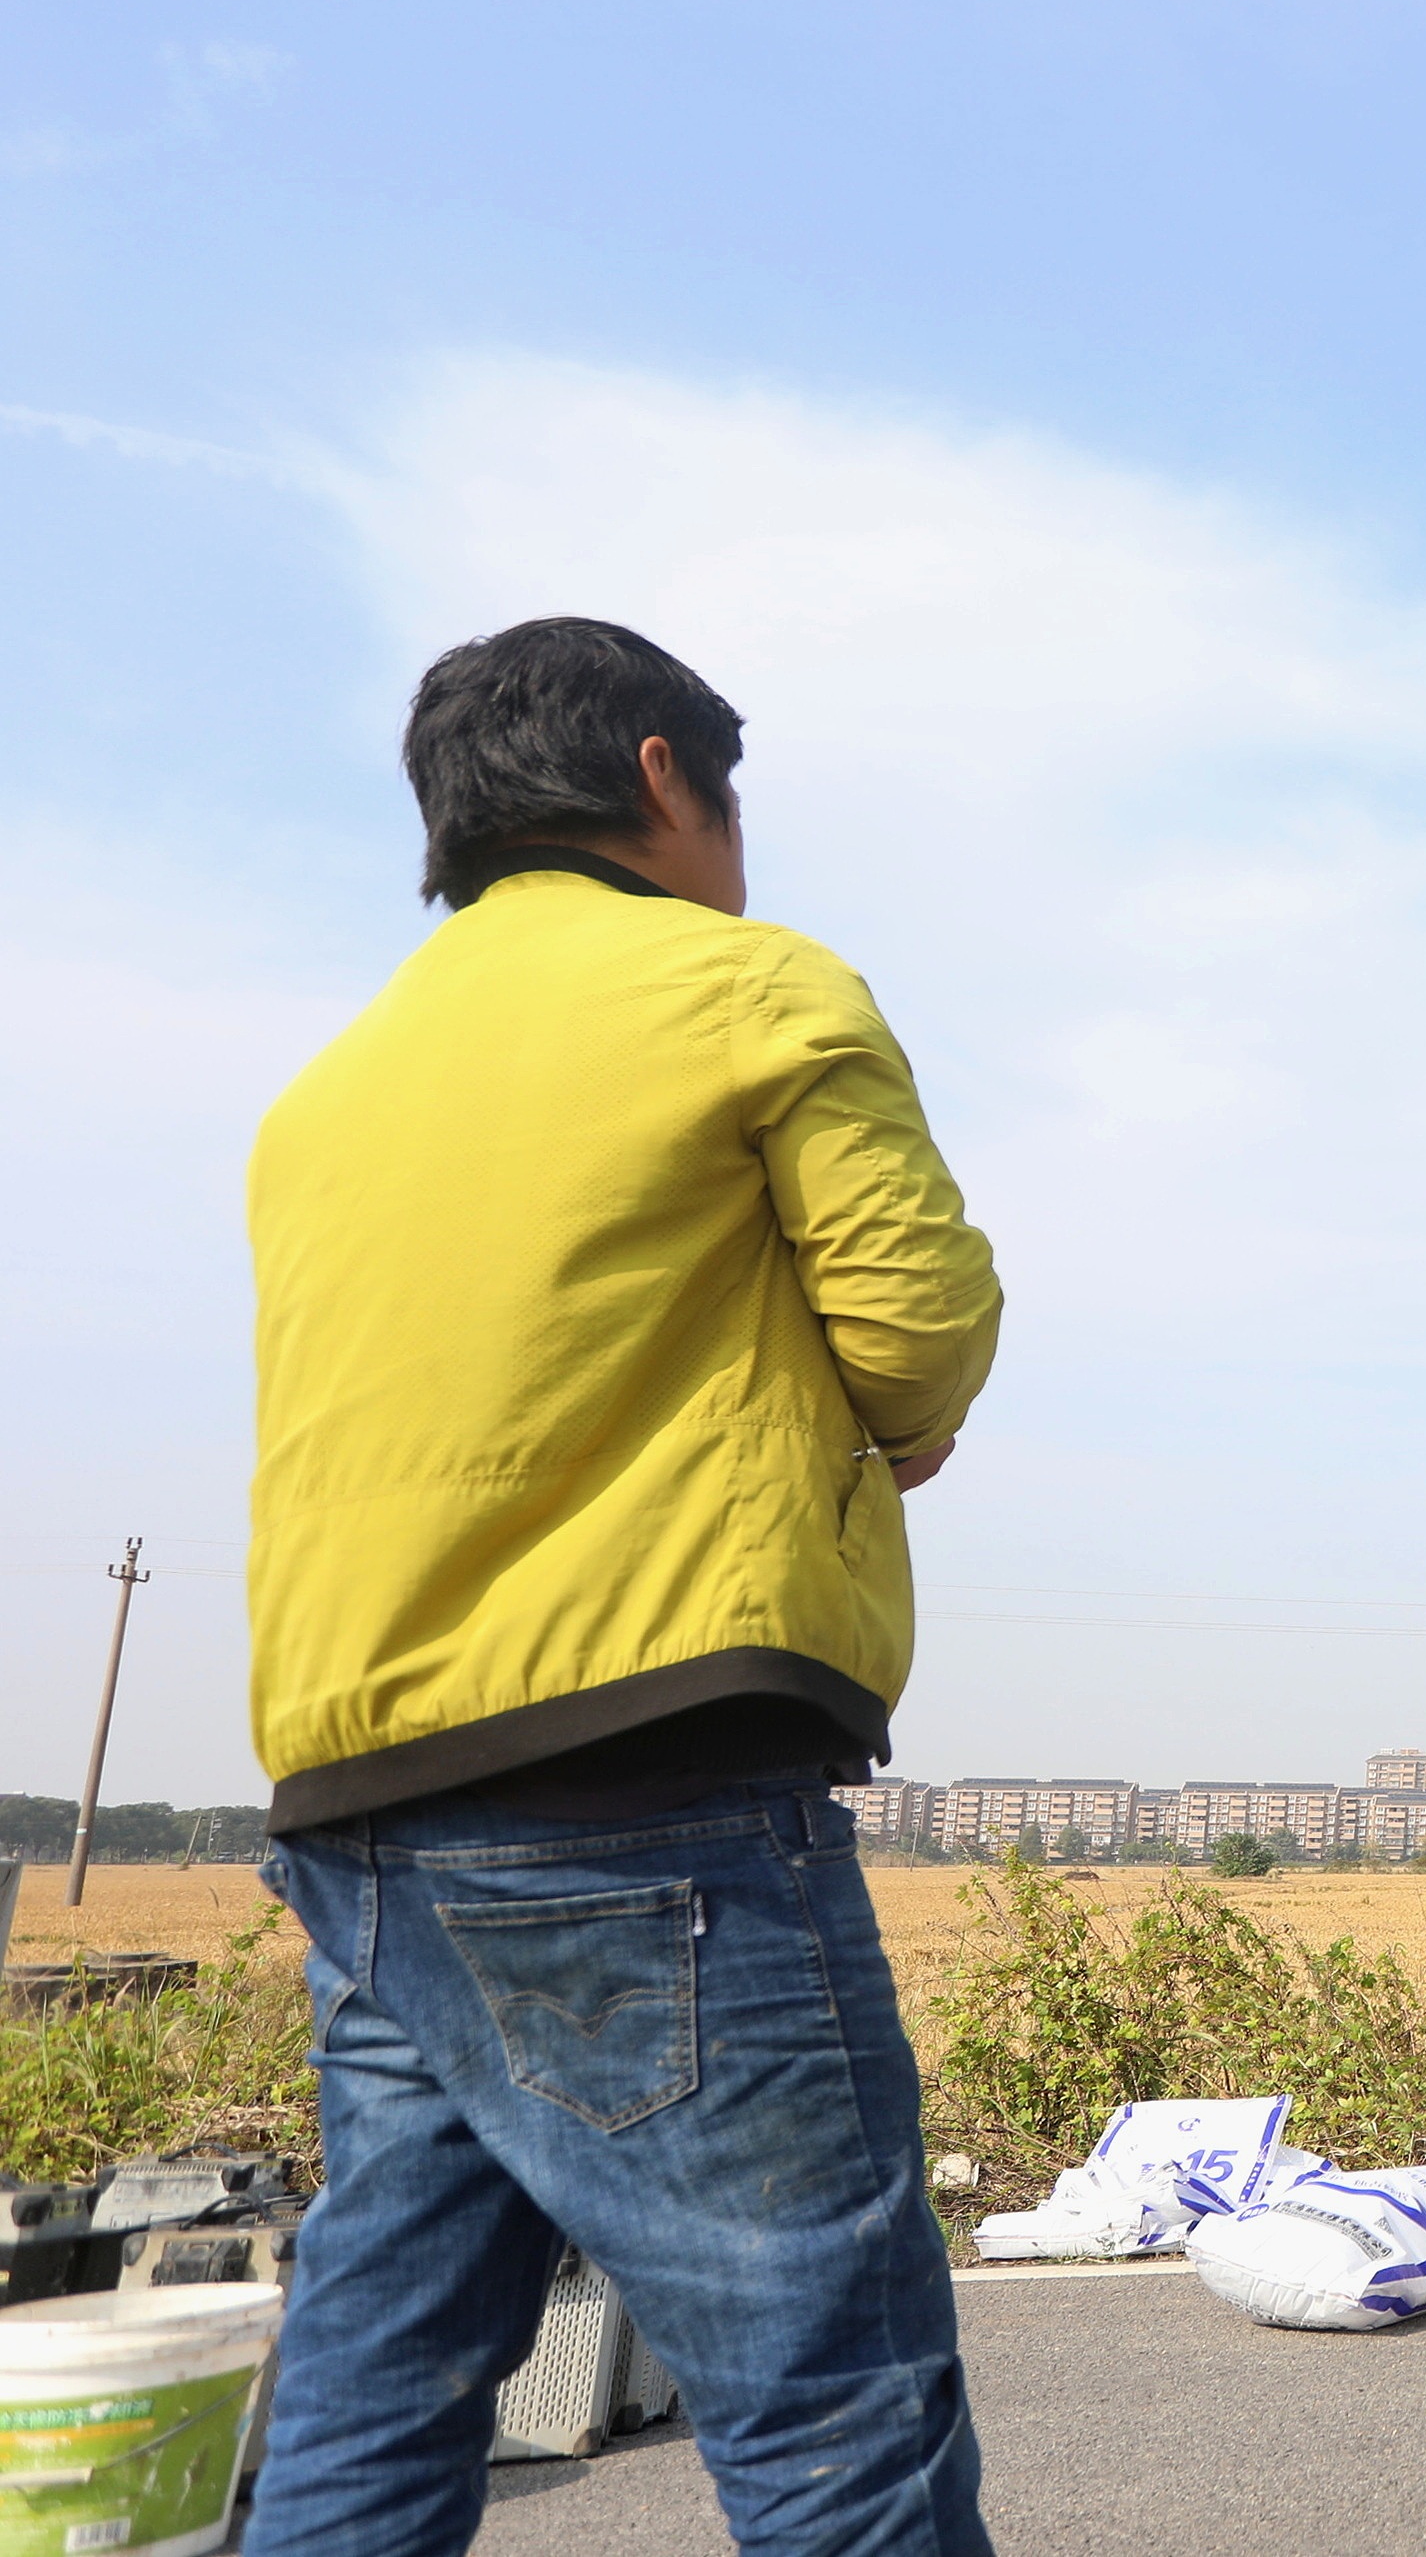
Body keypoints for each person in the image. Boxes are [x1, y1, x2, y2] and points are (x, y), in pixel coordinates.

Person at [242, 617, 1003, 2557]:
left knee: (373, 2402)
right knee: (841, 2413)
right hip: (644, 1798)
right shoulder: (743, 990)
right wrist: (890, 1424)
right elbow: (913, 1325)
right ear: (663, 776)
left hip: (367, 1819)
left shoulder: (329, 1091)